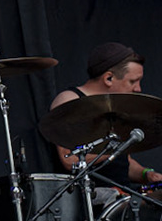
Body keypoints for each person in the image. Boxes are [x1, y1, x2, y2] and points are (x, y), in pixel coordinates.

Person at [49, 42, 161, 189]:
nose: (138, 89)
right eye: (133, 81)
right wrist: (117, 148)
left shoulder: (114, 107)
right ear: (109, 78)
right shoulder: (70, 101)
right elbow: (69, 160)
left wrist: (146, 174)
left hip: (122, 194)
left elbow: (123, 164)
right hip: (90, 194)